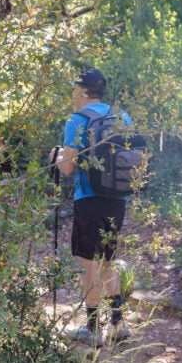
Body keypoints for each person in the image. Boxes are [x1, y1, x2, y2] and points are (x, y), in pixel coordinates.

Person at [50, 68, 131, 347]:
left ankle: (93, 328)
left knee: (90, 262)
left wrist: (57, 155)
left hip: (89, 197)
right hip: (118, 197)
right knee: (107, 258)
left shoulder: (78, 119)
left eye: (75, 89)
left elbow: (68, 167)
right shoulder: (122, 117)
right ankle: (118, 323)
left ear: (82, 92)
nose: (73, 95)